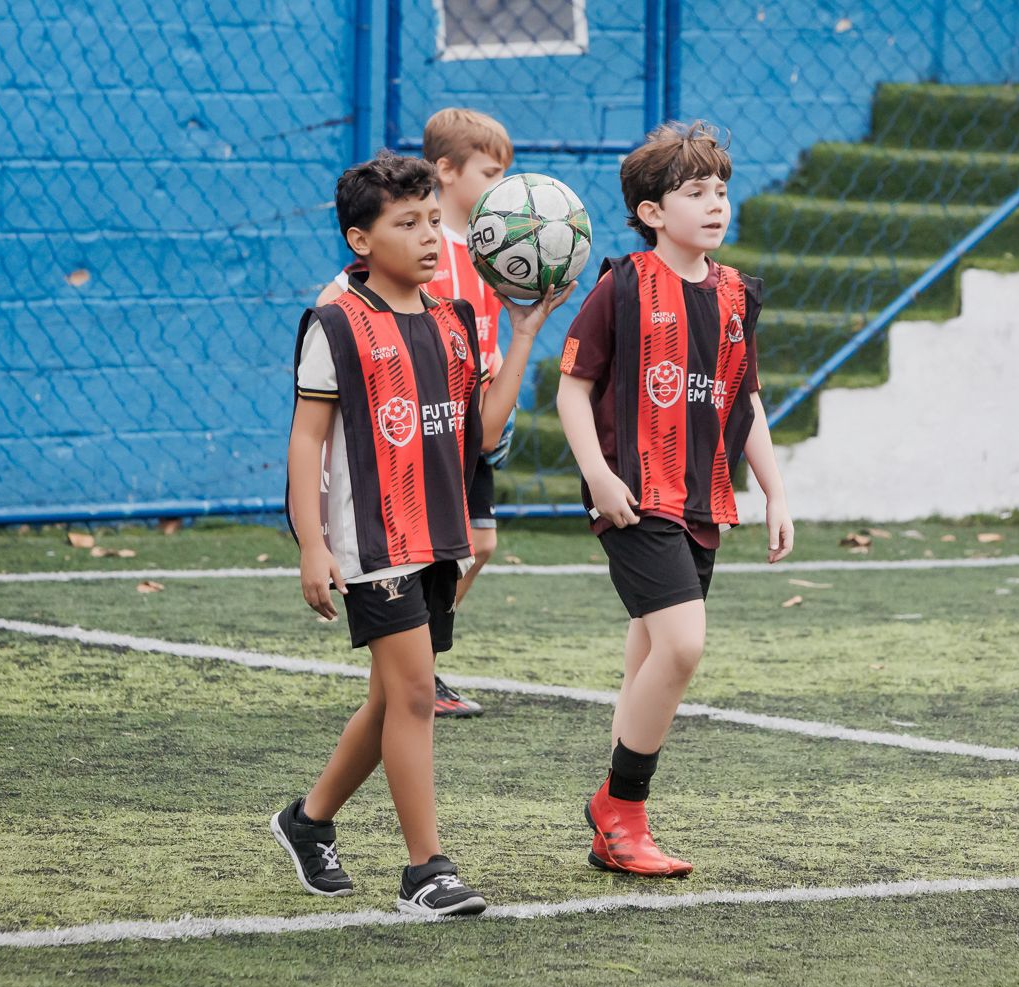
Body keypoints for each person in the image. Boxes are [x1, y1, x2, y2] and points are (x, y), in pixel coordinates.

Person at [274, 152, 573, 915]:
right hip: (370, 541)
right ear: (360, 240)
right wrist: (312, 542)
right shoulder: (336, 326)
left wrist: (526, 328)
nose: (431, 236)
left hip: (435, 535)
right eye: (407, 224)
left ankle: (307, 823)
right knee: (411, 696)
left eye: (435, 220)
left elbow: (481, 436)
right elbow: (307, 440)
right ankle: (425, 872)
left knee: (389, 701)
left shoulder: (453, 321)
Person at [555, 121, 794, 877]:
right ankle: (620, 807)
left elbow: (743, 402)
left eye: (721, 190)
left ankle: (612, 831)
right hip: (633, 495)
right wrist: (597, 472)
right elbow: (574, 386)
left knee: (651, 657)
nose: (715, 204)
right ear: (652, 212)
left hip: (701, 501)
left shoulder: (734, 296)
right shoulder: (621, 284)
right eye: (695, 193)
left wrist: (775, 491)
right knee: (685, 646)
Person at [318, 108, 515, 719]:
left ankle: (418, 659)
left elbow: (486, 332)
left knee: (478, 544)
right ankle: (412, 663)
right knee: (463, 544)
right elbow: (342, 295)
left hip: (470, 415)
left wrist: (500, 378)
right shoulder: (418, 249)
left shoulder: (493, 249)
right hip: (419, 422)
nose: (502, 185)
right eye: (491, 172)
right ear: (446, 170)